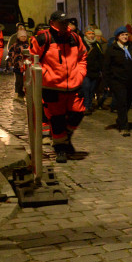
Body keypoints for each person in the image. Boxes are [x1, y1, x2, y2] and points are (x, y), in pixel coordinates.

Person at [30, 11, 87, 162]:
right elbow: (31, 59)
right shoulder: (43, 38)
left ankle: (65, 139)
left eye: (66, 22)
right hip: (52, 87)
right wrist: (45, 75)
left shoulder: (74, 38)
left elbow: (83, 56)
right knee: (57, 119)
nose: (64, 24)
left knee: (78, 113)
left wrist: (80, 73)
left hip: (74, 85)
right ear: (52, 22)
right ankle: (60, 149)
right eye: (61, 22)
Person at [102, 25, 132, 137]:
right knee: (122, 102)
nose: (125, 36)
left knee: (128, 102)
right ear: (117, 37)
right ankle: (124, 127)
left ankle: (120, 119)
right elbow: (106, 68)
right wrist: (107, 83)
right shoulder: (112, 49)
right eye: (122, 35)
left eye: (126, 34)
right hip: (118, 81)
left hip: (131, 81)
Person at [81, 26, 105, 113]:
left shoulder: (97, 44)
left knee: (92, 89)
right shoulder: (82, 44)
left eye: (92, 34)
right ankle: (86, 106)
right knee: (86, 88)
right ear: (85, 35)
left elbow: (100, 57)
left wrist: (101, 69)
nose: (91, 36)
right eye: (89, 34)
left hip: (94, 71)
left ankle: (89, 104)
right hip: (85, 71)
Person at [7, 26, 32, 98]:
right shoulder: (15, 45)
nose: (23, 38)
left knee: (26, 79)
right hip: (18, 65)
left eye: (24, 36)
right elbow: (11, 53)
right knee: (19, 80)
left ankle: (23, 92)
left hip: (26, 65)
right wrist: (10, 62)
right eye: (22, 36)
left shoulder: (28, 45)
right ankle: (18, 91)